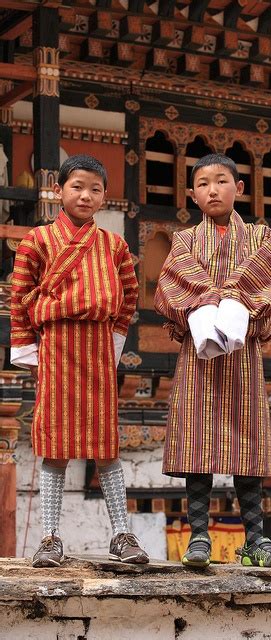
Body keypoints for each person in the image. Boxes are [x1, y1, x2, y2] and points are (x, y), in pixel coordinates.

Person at [154, 153, 271, 568]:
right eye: (202, 183)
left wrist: (237, 304)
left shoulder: (259, 238)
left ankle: (256, 538)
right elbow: (170, 286)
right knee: (197, 439)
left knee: (248, 441)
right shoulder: (184, 240)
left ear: (240, 187)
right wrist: (215, 301)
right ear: (193, 194)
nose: (212, 189)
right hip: (198, 356)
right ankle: (199, 537)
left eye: (221, 180)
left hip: (244, 354)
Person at [11, 154, 149, 567]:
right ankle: (50, 538)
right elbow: (19, 298)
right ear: (59, 190)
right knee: (54, 445)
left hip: (97, 349)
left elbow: (128, 297)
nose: (85, 196)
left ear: (104, 197)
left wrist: (113, 347)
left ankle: (122, 535)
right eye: (77, 186)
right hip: (55, 346)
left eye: (94, 189)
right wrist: (29, 351)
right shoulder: (37, 240)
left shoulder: (114, 245)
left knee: (105, 446)